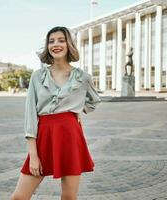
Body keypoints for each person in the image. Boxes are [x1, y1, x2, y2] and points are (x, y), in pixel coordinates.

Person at [11, 26, 101, 200]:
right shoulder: (37, 76)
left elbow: (94, 100)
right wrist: (33, 155)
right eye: (51, 41)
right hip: (43, 135)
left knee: (68, 197)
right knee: (19, 197)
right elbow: (30, 115)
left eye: (61, 40)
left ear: (69, 45)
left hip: (70, 135)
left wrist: (76, 110)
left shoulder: (82, 77)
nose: (56, 44)